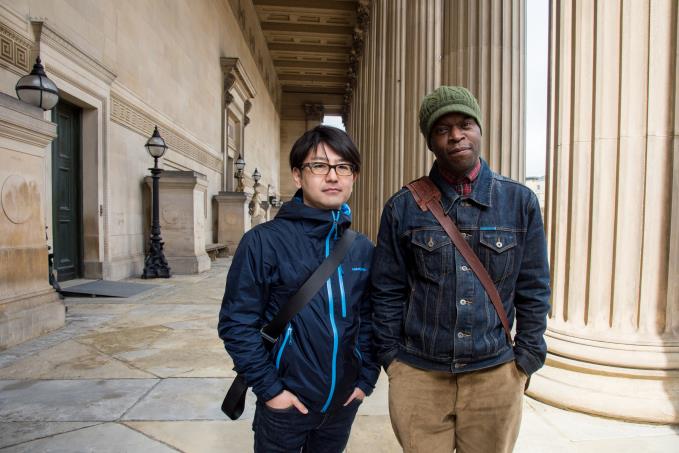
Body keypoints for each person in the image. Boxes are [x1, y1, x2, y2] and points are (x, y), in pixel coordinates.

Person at [371, 86, 551, 453]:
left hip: (495, 375)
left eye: (465, 124)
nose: (456, 135)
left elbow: (534, 287)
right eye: (442, 129)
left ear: (480, 129)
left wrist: (526, 361)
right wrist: (392, 361)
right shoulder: (403, 207)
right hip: (419, 375)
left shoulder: (520, 202)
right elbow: (386, 290)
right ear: (431, 142)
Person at [218, 125, 379, 453]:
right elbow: (236, 324)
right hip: (285, 407)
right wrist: (272, 392)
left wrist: (365, 381)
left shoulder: (362, 248)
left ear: (353, 178)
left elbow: (369, 319)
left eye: (343, 167)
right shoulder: (263, 242)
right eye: (319, 166)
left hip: (342, 406)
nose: (332, 176)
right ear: (297, 176)